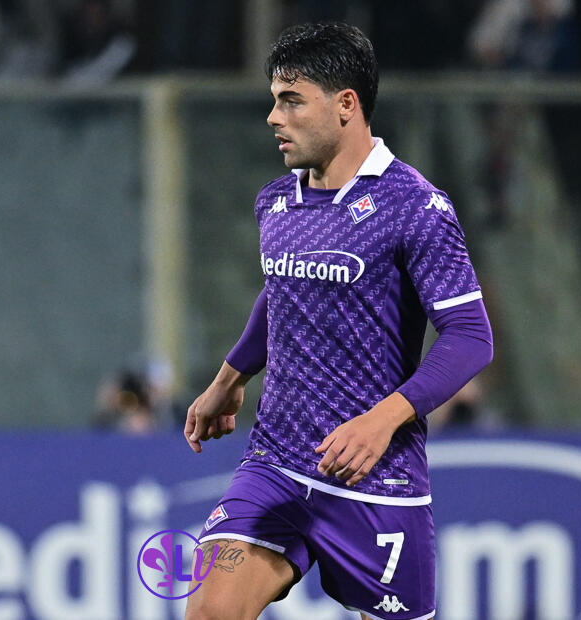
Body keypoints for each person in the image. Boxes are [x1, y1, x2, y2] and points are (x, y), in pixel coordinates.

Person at [183, 22, 494, 620]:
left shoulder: (415, 207)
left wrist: (381, 422)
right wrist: (229, 378)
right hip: (274, 463)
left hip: (375, 481)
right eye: (274, 99)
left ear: (346, 104)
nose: (274, 117)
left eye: (291, 100)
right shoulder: (275, 202)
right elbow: (284, 290)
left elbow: (472, 338)